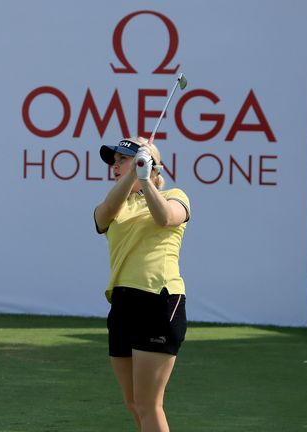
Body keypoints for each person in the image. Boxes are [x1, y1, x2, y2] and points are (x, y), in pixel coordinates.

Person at [94, 136, 190, 431]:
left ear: (152, 165)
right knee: (134, 403)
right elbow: (103, 216)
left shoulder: (176, 195)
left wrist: (146, 181)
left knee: (149, 404)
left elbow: (164, 218)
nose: (115, 165)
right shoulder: (115, 205)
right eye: (115, 160)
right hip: (123, 304)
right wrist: (135, 175)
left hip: (159, 301)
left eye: (122, 159)